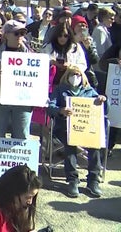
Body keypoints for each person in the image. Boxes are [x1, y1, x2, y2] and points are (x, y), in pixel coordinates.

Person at [47, 65, 106, 198]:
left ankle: (93, 180)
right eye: (73, 74)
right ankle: (72, 180)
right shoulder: (60, 90)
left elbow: (103, 109)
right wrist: (60, 111)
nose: (76, 77)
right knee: (70, 144)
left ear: (82, 76)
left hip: (86, 129)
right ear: (67, 76)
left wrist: (101, 100)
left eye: (78, 75)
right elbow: (50, 107)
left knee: (95, 146)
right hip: (64, 128)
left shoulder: (89, 91)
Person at [0, 20, 34, 139]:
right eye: (16, 33)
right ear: (6, 35)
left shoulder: (30, 54)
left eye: (22, 33)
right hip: (0, 101)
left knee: (22, 137)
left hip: (22, 102)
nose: (20, 36)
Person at [41, 22, 87, 87]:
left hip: (70, 83)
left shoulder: (75, 47)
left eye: (65, 36)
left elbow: (83, 65)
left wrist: (71, 66)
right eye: (60, 36)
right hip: (51, 82)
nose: (62, 38)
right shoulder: (49, 46)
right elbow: (41, 62)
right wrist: (51, 62)